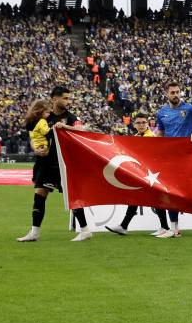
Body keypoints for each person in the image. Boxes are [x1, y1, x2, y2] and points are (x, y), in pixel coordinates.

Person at [16, 87, 93, 243]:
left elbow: (81, 130)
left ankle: (85, 230)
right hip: (45, 162)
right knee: (39, 195)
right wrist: (35, 149)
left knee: (71, 196)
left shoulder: (71, 117)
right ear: (54, 99)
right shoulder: (44, 116)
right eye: (65, 98)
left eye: (69, 98)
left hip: (64, 163)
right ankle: (34, 232)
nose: (68, 101)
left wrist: (64, 127)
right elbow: (33, 136)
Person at [155, 82, 192, 237]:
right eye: (172, 92)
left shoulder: (190, 108)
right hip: (172, 159)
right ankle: (175, 228)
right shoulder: (161, 113)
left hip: (190, 157)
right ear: (166, 94)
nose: (175, 95)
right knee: (171, 192)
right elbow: (160, 134)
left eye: (177, 92)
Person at [107, 113, 168, 236]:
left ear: (148, 124)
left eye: (144, 123)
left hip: (150, 174)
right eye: (139, 123)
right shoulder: (135, 137)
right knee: (138, 198)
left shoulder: (151, 137)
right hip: (143, 174)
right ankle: (124, 226)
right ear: (134, 125)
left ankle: (164, 227)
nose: (141, 125)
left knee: (154, 199)